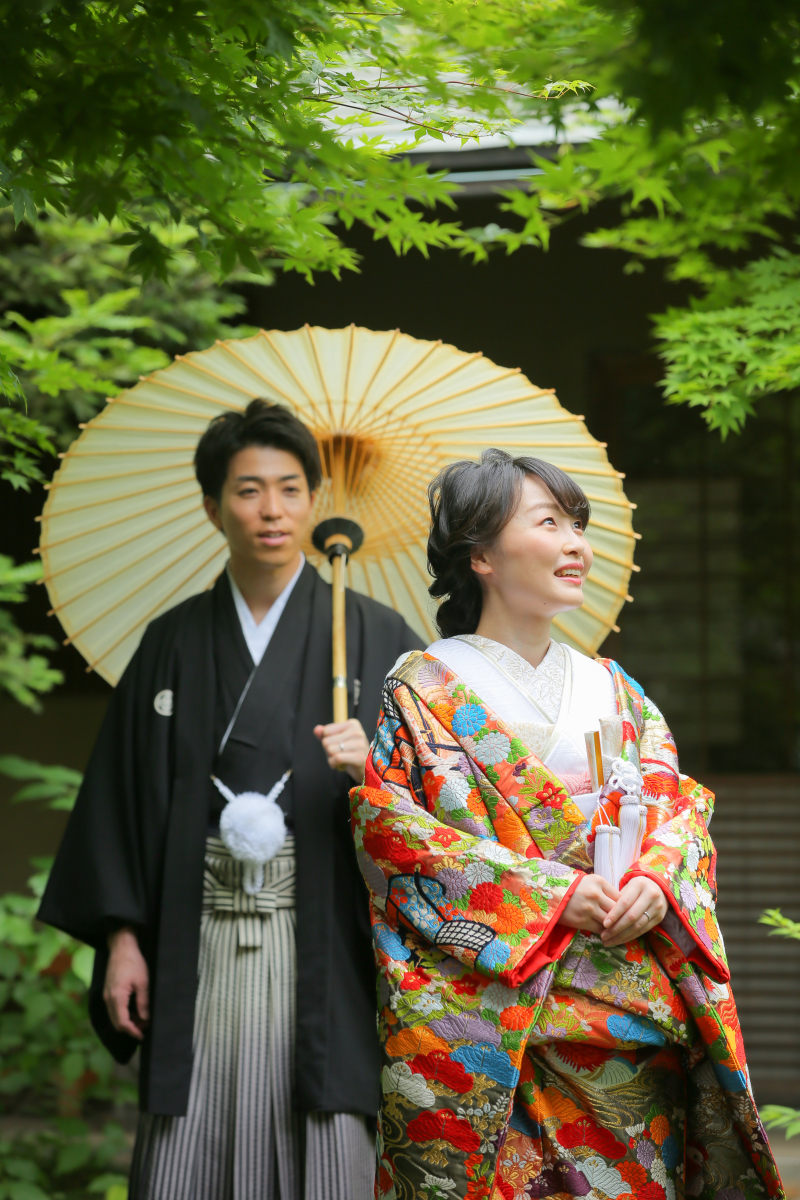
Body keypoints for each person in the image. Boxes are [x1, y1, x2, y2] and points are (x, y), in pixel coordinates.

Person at [350, 448, 782, 1200]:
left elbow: (676, 809)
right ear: (480, 555)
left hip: (630, 1020)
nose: (576, 543)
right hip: (501, 1031)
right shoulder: (421, 690)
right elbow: (397, 842)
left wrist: (657, 881)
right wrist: (555, 896)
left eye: (578, 525)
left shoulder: (613, 688)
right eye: (549, 523)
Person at [38, 400, 424, 1200]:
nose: (272, 510)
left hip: (326, 944)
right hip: (194, 932)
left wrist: (374, 771)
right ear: (213, 507)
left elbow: (436, 811)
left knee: (325, 1138)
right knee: (188, 1143)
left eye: (290, 488)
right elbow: (120, 800)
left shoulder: (378, 636)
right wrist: (122, 938)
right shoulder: (172, 641)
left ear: (314, 501)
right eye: (248, 491)